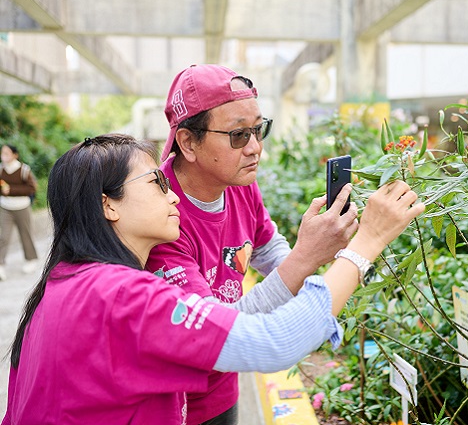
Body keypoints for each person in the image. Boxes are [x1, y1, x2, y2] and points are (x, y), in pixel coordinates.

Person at [2, 133, 424, 424]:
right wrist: (366, 243)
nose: (172, 197)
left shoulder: (65, 281)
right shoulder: (123, 296)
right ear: (108, 205)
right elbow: (273, 340)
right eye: (156, 183)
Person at [146, 64, 359, 424]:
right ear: (187, 142)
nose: (255, 148)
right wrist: (305, 258)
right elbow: (217, 332)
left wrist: (305, 264)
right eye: (238, 135)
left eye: (259, 130)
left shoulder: (239, 182)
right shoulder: (159, 217)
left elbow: (263, 244)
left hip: (223, 388)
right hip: (175, 404)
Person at [0, 144, 38, 281]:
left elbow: (31, 188)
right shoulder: (1, 169)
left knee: (26, 234)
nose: (3, 155)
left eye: (7, 153)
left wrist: (11, 190)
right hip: (5, 208)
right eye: (2, 152)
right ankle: (1, 265)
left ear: (15, 155)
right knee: (3, 236)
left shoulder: (23, 170)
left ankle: (31, 259)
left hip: (22, 207)